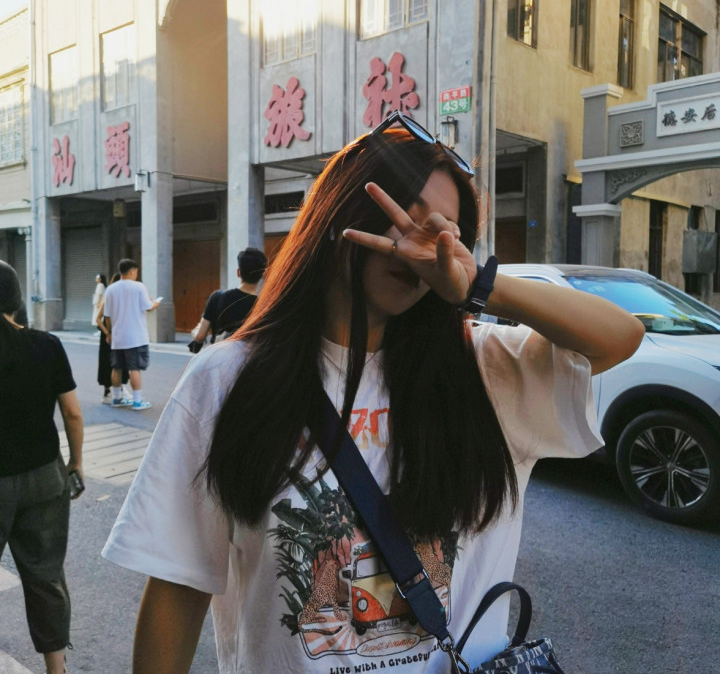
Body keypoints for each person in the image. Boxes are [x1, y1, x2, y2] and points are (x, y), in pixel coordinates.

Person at [102, 114, 644, 674]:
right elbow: (178, 587)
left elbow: (620, 336)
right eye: (402, 214)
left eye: (444, 231)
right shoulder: (226, 379)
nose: (418, 245)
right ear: (339, 212)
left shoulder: (485, 369)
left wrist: (480, 284)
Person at [0, 260, 85, 674]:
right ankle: (56, 668)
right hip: (45, 477)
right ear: (17, 299)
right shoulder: (47, 345)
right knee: (46, 577)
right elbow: (72, 414)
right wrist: (75, 463)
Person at [102, 259, 161, 411]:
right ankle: (137, 401)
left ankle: (117, 398)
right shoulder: (139, 287)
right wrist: (156, 303)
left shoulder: (110, 289)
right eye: (136, 272)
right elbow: (148, 307)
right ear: (131, 271)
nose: (136, 275)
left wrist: (109, 333)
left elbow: (107, 316)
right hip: (135, 336)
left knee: (116, 368)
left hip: (118, 336)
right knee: (134, 368)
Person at [188, 247, 267, 352]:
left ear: (238, 273)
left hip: (220, 357)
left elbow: (200, 337)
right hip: (249, 360)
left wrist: (195, 331)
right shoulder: (264, 306)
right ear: (263, 275)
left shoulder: (217, 297)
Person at [95, 273, 130, 404]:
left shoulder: (119, 299)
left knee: (116, 363)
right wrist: (108, 333)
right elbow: (99, 319)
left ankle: (116, 390)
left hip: (114, 335)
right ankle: (109, 392)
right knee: (111, 363)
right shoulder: (110, 299)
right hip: (110, 337)